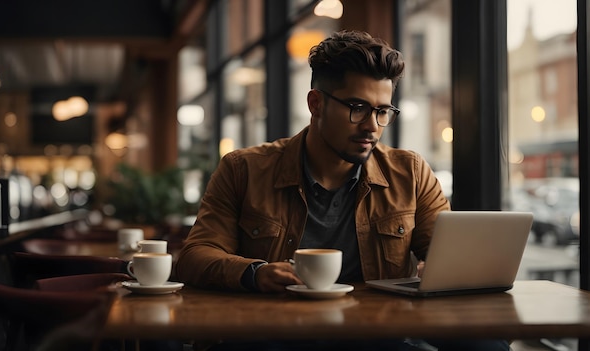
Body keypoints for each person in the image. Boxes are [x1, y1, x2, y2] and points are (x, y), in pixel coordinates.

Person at [176, 30, 508, 351]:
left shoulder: (410, 172)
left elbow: (446, 254)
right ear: (316, 104)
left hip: (377, 336)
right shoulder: (243, 169)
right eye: (358, 108)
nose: (372, 126)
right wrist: (255, 273)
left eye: (382, 112)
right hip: (272, 332)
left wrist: (438, 268)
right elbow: (196, 255)